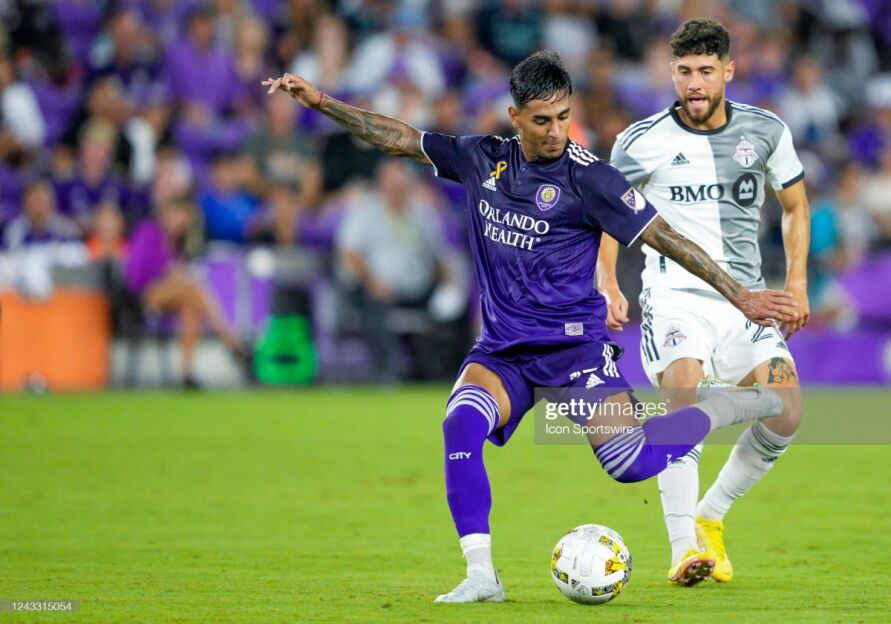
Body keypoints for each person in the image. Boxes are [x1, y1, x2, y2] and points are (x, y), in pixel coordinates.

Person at [263, 49, 799, 603]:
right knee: (460, 424)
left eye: (564, 117)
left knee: (631, 463)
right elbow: (397, 137)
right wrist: (322, 102)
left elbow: (667, 239)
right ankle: (481, 576)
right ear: (514, 117)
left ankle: (734, 404)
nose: (555, 131)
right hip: (504, 352)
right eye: (542, 120)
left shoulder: (591, 178)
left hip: (574, 352)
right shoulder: (481, 159)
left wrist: (741, 295)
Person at [599, 19, 810, 587]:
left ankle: (709, 516)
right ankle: (682, 550)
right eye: (685, 71)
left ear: (728, 71)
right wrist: (609, 283)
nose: (695, 83)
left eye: (706, 71)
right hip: (674, 296)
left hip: (747, 301)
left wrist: (796, 283)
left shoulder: (766, 130)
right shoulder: (640, 141)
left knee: (787, 411)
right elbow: (608, 216)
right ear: (672, 74)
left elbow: (795, 206)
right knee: (683, 399)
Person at [125, 195, 247, 388]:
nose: (183, 223)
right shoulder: (149, 232)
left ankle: (187, 374)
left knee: (191, 307)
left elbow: (180, 268)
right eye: (181, 217)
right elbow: (136, 275)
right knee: (194, 289)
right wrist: (168, 273)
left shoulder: (176, 241)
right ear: (169, 213)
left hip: (169, 296)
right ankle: (232, 342)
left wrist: (175, 271)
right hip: (141, 297)